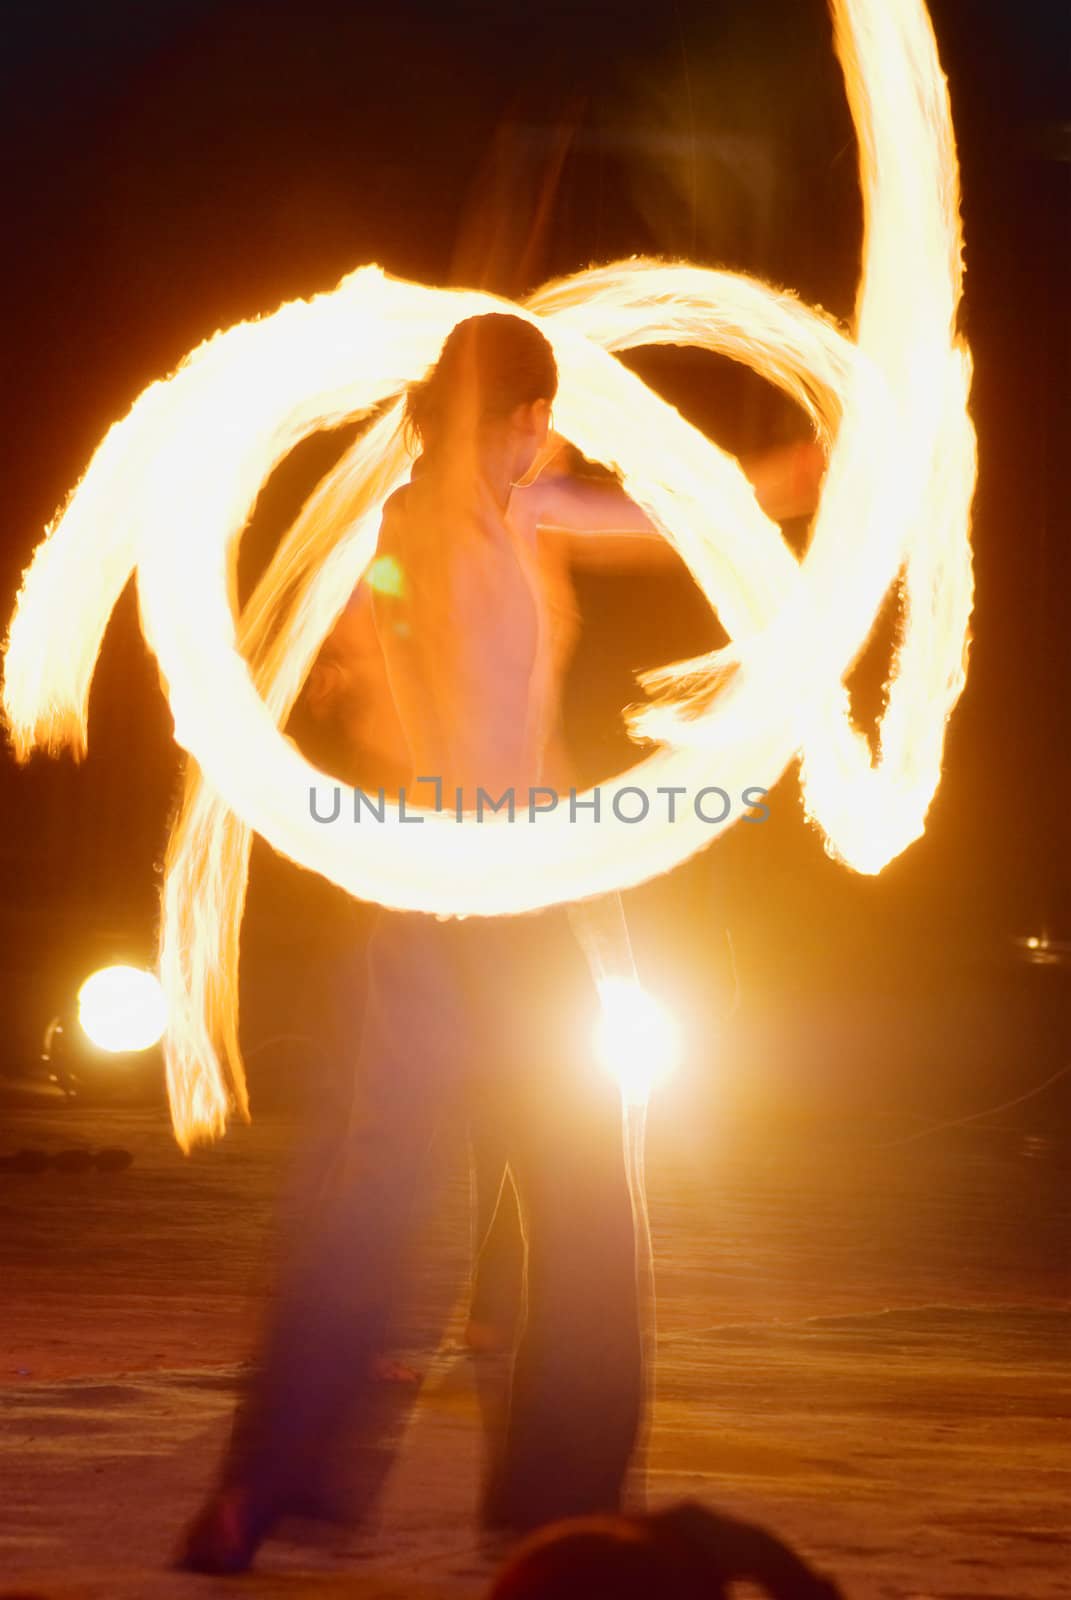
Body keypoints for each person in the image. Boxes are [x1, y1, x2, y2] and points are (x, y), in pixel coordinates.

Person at [177, 313, 823, 1575]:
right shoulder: (475, 523)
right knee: (578, 1197)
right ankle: (558, 1497)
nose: (553, 443)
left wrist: (793, 482)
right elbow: (685, 526)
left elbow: (386, 701)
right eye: (545, 419)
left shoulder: (424, 525)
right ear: (523, 418)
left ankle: (261, 1486)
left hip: (422, 887)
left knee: (373, 1194)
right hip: (499, 887)